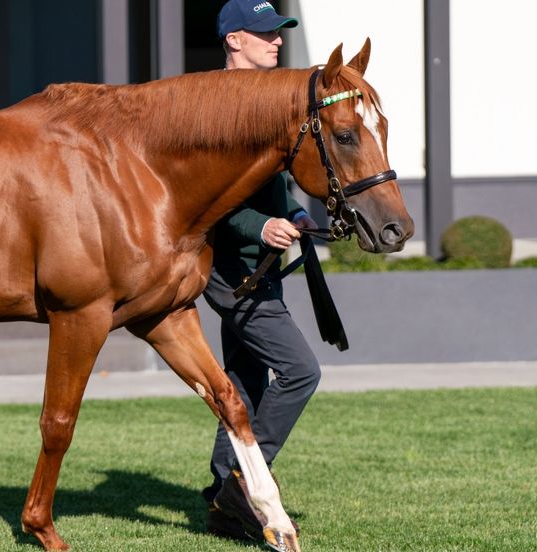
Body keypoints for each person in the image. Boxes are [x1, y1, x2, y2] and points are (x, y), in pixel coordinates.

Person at [200, 0, 321, 542]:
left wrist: (292, 211)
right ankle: (246, 484)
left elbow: (269, 181)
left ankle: (221, 487)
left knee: (244, 384)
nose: (277, 41)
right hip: (231, 273)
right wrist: (260, 227)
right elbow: (208, 199)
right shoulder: (211, 105)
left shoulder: (265, 101)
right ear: (234, 41)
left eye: (279, 33)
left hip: (261, 270)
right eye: (265, 34)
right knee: (300, 372)